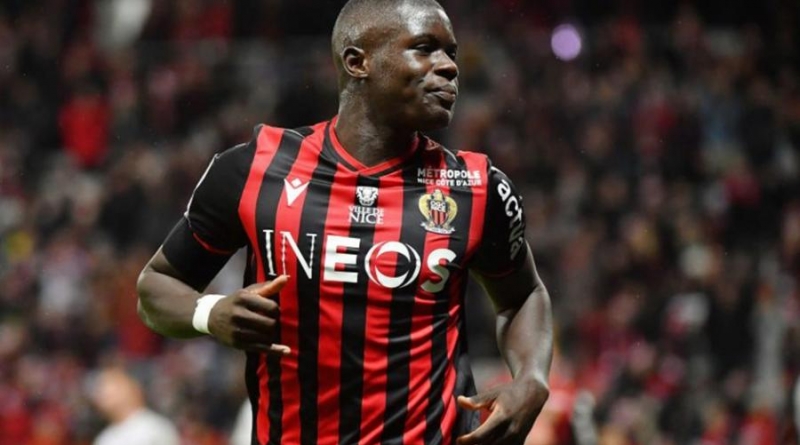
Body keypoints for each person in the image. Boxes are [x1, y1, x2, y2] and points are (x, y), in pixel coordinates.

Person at [136, 0, 553, 443]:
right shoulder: (256, 169)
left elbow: (523, 296)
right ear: (358, 62)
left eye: (450, 53)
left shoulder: (476, 186)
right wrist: (210, 313)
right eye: (424, 48)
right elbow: (156, 286)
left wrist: (532, 378)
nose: (450, 66)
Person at [88, 366, 180, 445]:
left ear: (132, 388)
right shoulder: (104, 438)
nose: (103, 393)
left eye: (111, 386)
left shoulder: (155, 427)